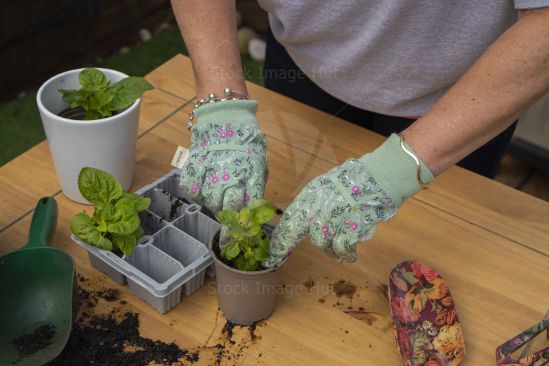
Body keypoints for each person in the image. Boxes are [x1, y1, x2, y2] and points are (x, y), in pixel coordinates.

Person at [171, 1, 549, 267]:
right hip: (302, 65)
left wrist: (396, 170)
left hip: (459, 103)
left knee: (430, 257)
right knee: (293, 205)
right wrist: (221, 100)